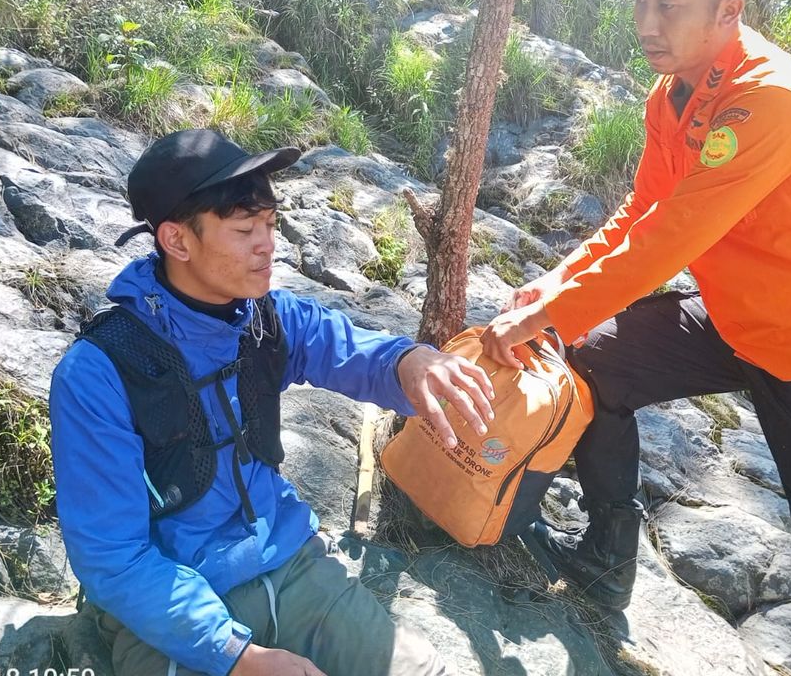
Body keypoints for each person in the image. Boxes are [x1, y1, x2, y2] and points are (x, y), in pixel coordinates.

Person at [480, 0, 791, 676]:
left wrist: (551, 309)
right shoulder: (670, 95)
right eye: (641, 0)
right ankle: (607, 557)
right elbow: (640, 213)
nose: (648, 23)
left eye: (669, 6)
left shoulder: (774, 98)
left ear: (729, 9)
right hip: (733, 317)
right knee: (589, 358)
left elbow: (670, 240)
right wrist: (555, 285)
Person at [50, 128, 495, 676]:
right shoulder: (99, 372)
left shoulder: (265, 319)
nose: (268, 245)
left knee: (422, 670)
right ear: (177, 240)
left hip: (290, 564)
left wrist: (410, 361)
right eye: (244, 229)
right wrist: (237, 658)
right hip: (170, 606)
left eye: (269, 224)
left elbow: (350, 350)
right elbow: (113, 559)